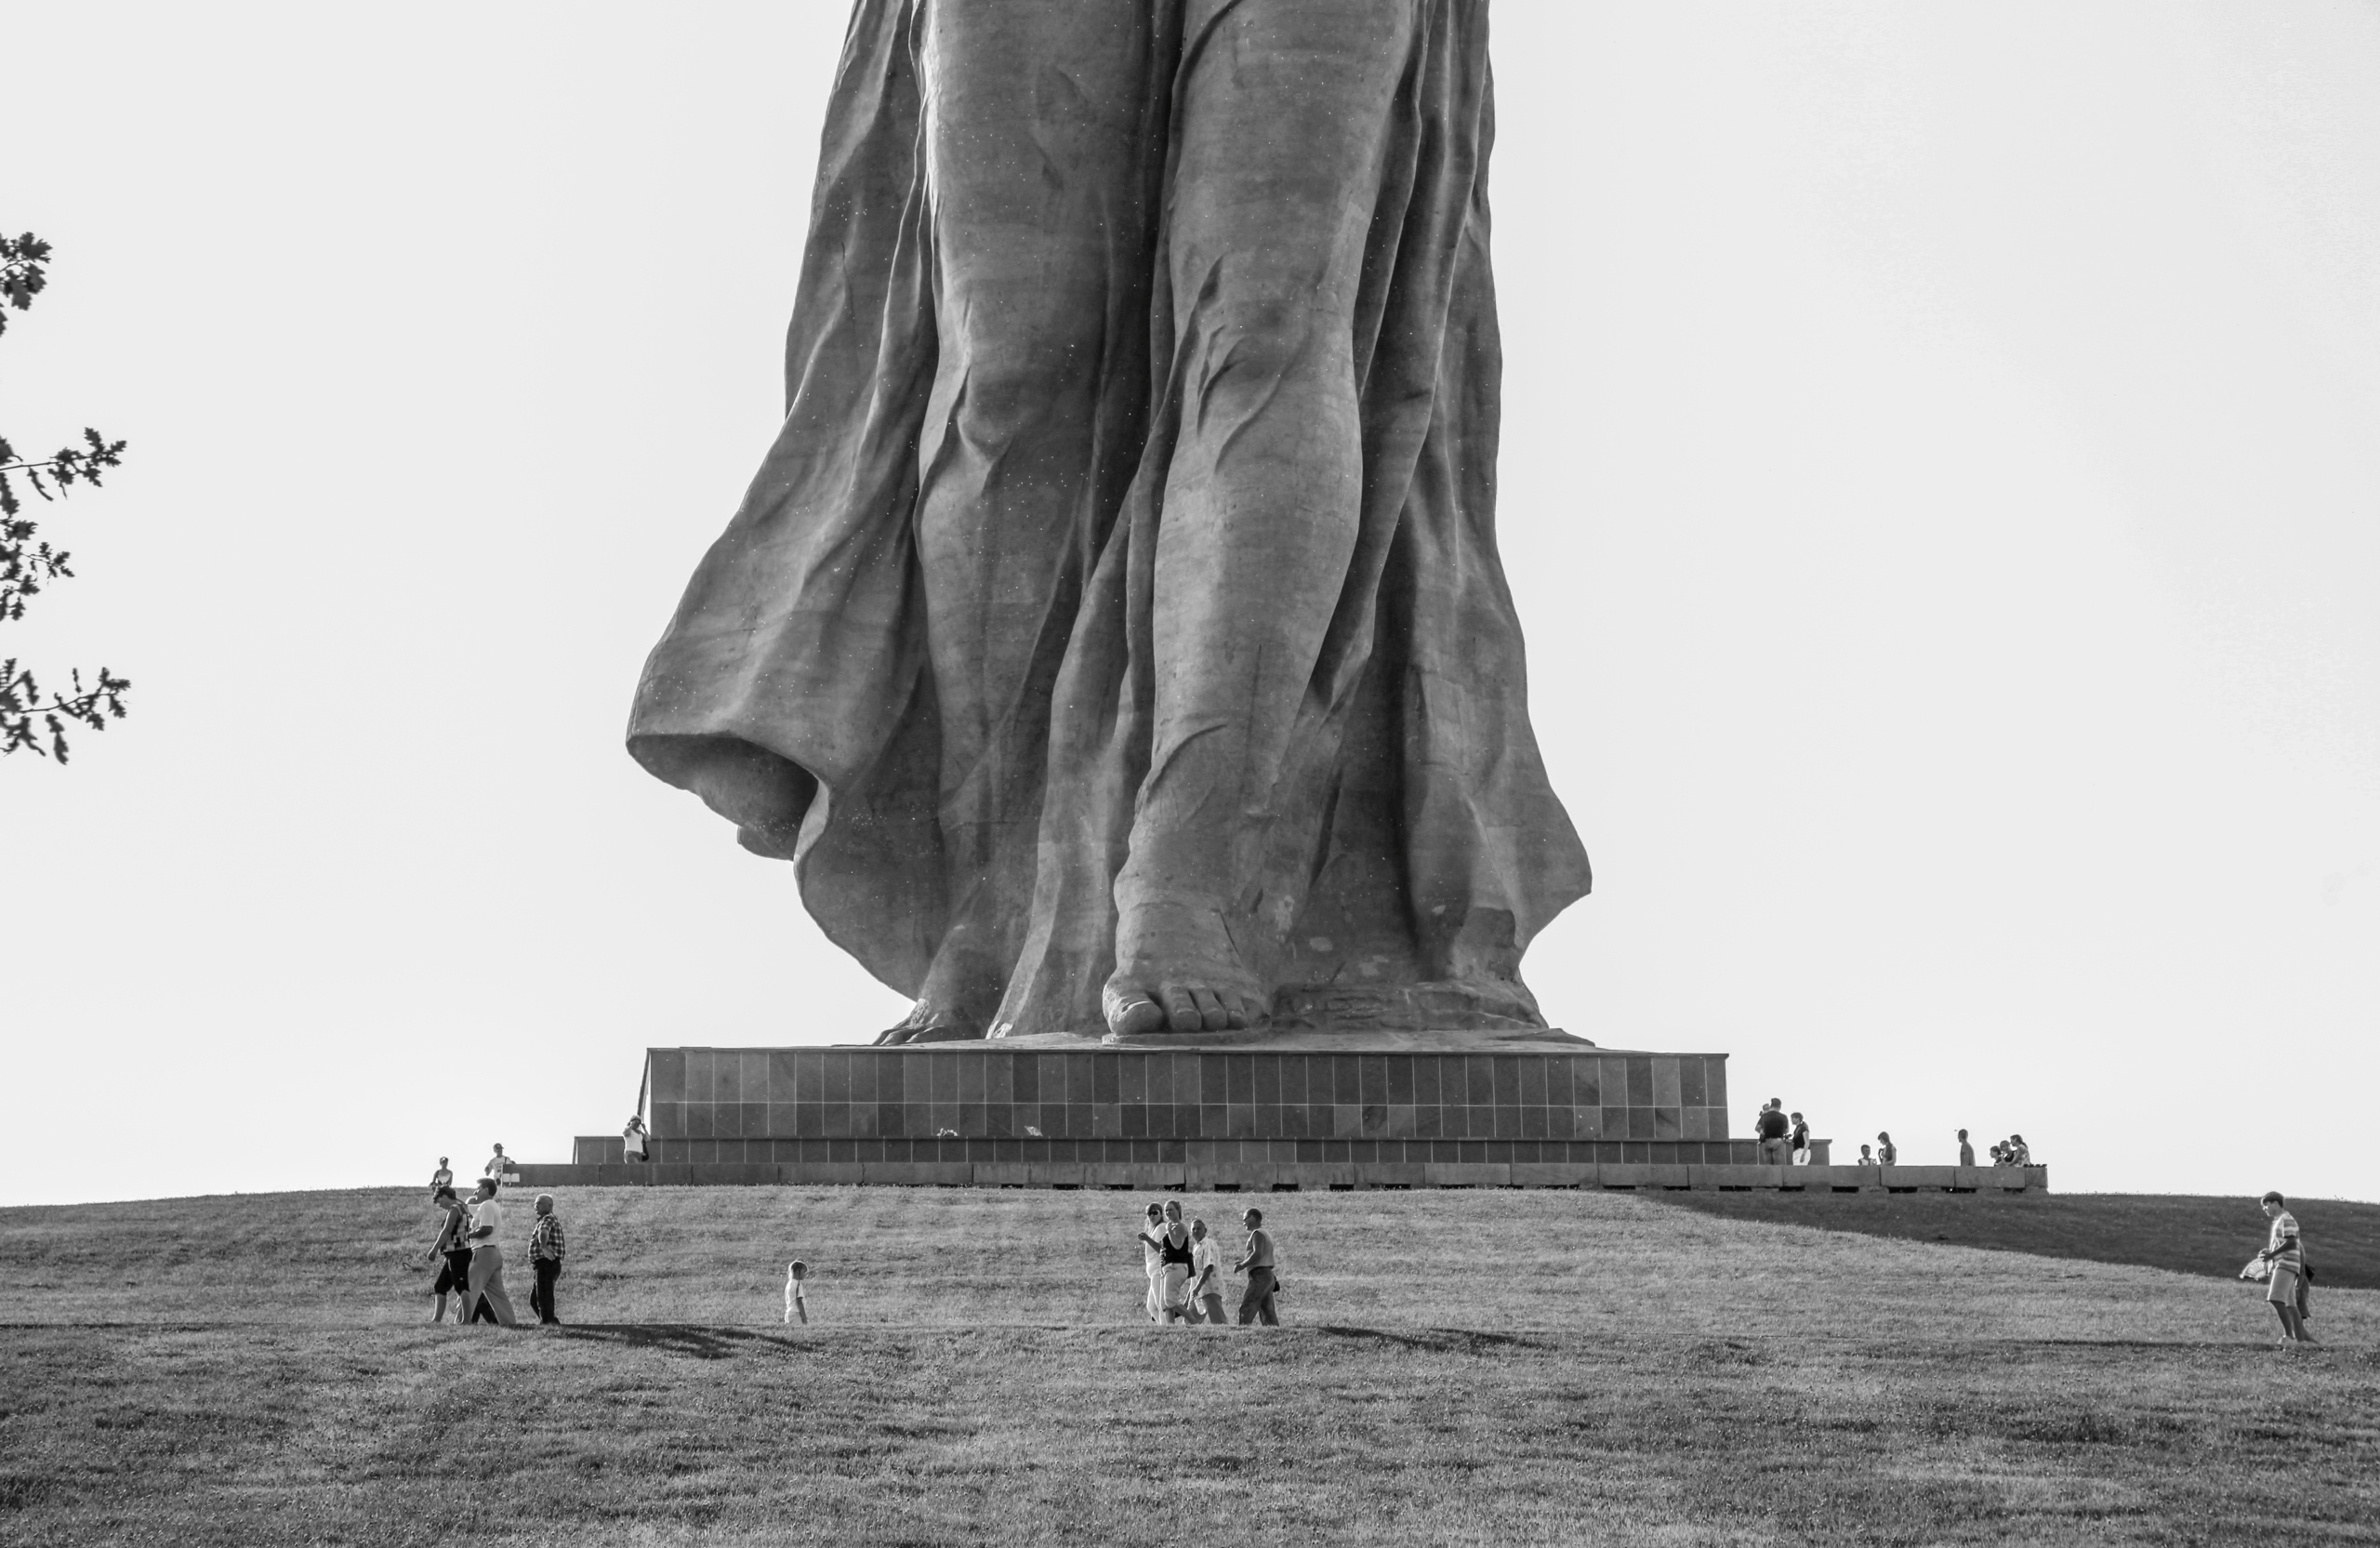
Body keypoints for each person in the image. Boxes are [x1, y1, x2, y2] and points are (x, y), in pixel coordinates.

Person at [2249, 1192, 2316, 1345]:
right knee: (2290, 1305)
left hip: (2285, 1264)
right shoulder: (2280, 1221)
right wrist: (2270, 1252)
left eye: (2266, 1205)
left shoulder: (2286, 1219)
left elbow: (2292, 1243)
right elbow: (2286, 1243)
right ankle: (2300, 1341)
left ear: (2275, 1203)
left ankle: (2289, 1337)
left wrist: (2272, 1254)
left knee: (2275, 1299)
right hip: (2286, 1264)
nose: (2264, 1209)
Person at [461, 1178, 519, 1327]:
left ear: (486, 1190)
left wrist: (468, 1235)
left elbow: (486, 1228)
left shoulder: (486, 1206)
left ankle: (462, 1321)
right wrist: (451, 1199)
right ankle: (510, 1323)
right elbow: (466, 1208)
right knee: (497, 1294)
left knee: (469, 1288)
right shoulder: (490, 1205)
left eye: (478, 1189)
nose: (475, 1192)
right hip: (494, 1253)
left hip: (483, 1253)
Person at [428, 1186, 475, 1323]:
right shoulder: (460, 1207)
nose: (439, 1204)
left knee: (461, 1286)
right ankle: (436, 1320)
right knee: (440, 1286)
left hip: (458, 1252)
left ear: (444, 1196)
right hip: (454, 1253)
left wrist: (434, 1249)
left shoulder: (455, 1209)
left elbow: (447, 1230)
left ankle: (467, 1320)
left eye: (438, 1200)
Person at [1233, 1207, 1279, 1326]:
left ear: (1253, 1217)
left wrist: (1242, 1265)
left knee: (1248, 1305)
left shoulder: (1257, 1233)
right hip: (1268, 1275)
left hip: (1260, 1275)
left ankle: (1243, 1331)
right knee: (1267, 1310)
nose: (1244, 1223)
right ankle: (1273, 1332)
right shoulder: (1265, 1233)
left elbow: (1257, 1254)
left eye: (1245, 1219)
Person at [526, 1193, 566, 1326]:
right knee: (535, 1299)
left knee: (543, 1296)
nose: (536, 1206)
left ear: (550, 1205)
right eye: (535, 1204)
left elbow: (544, 1232)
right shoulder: (547, 1219)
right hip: (544, 1264)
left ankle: (548, 1323)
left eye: (539, 1203)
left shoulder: (547, 1219)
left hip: (546, 1262)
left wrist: (543, 1246)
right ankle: (551, 1322)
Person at [1152, 1199, 1194, 1325]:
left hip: (1177, 1266)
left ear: (1178, 1210)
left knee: (1170, 1300)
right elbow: (1162, 1250)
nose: (1168, 1212)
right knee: (1164, 1304)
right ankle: (1171, 1328)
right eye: (1166, 1210)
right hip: (1167, 1268)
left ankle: (1193, 1320)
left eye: (1171, 1209)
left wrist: (1169, 1230)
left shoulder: (1179, 1226)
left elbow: (1177, 1245)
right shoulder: (1170, 1227)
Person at [1185, 1219, 1225, 1325]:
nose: (1196, 1231)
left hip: (1210, 1289)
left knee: (1218, 1321)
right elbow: (1195, 1274)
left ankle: (1225, 1338)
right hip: (1198, 1291)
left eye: (1199, 1228)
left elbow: (1209, 1267)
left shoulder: (1208, 1244)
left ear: (1205, 1230)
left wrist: (1198, 1287)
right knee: (1190, 1321)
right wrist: (1191, 1294)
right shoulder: (1195, 1248)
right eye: (1193, 1229)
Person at [1134, 1204, 1166, 1323]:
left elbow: (1161, 1249)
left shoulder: (1162, 1227)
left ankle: (1167, 1327)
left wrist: (1147, 1239)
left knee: (1159, 1303)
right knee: (1151, 1306)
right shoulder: (1154, 1228)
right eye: (1149, 1213)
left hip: (1159, 1270)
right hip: (1153, 1271)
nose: (1152, 1216)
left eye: (1155, 1213)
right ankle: (1163, 1327)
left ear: (1161, 1213)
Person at [1754, 1100, 1789, 1166]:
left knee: (1768, 1165)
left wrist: (1762, 1133)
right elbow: (1786, 1131)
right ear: (1780, 1106)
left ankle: (1769, 1175)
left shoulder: (1764, 1116)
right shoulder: (1783, 1117)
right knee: (1778, 1165)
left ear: (1771, 1106)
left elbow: (1757, 1128)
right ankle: (1777, 1176)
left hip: (1766, 1141)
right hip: (1778, 1141)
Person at [784, 1261, 809, 1325]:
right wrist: (804, 1318)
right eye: (804, 1272)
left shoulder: (789, 1284)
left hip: (789, 1313)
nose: (805, 1274)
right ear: (798, 1271)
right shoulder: (798, 1284)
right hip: (797, 1314)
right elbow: (799, 1302)